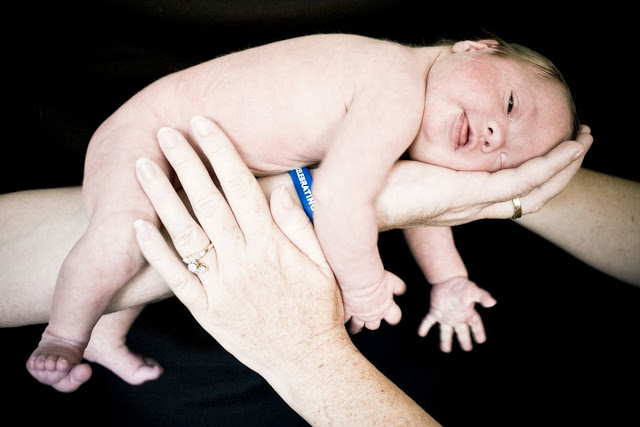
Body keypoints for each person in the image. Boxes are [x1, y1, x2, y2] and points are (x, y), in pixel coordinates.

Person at [26, 33, 582, 389]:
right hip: (150, 138)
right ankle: (63, 334)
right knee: (125, 234)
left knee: (158, 243)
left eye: (507, 156)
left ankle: (104, 331)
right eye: (510, 104)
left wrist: (449, 279)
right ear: (476, 46)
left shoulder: (417, 111)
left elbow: (428, 210)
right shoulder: (396, 85)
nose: (493, 133)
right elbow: (341, 196)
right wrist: (362, 288)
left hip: (193, 162)